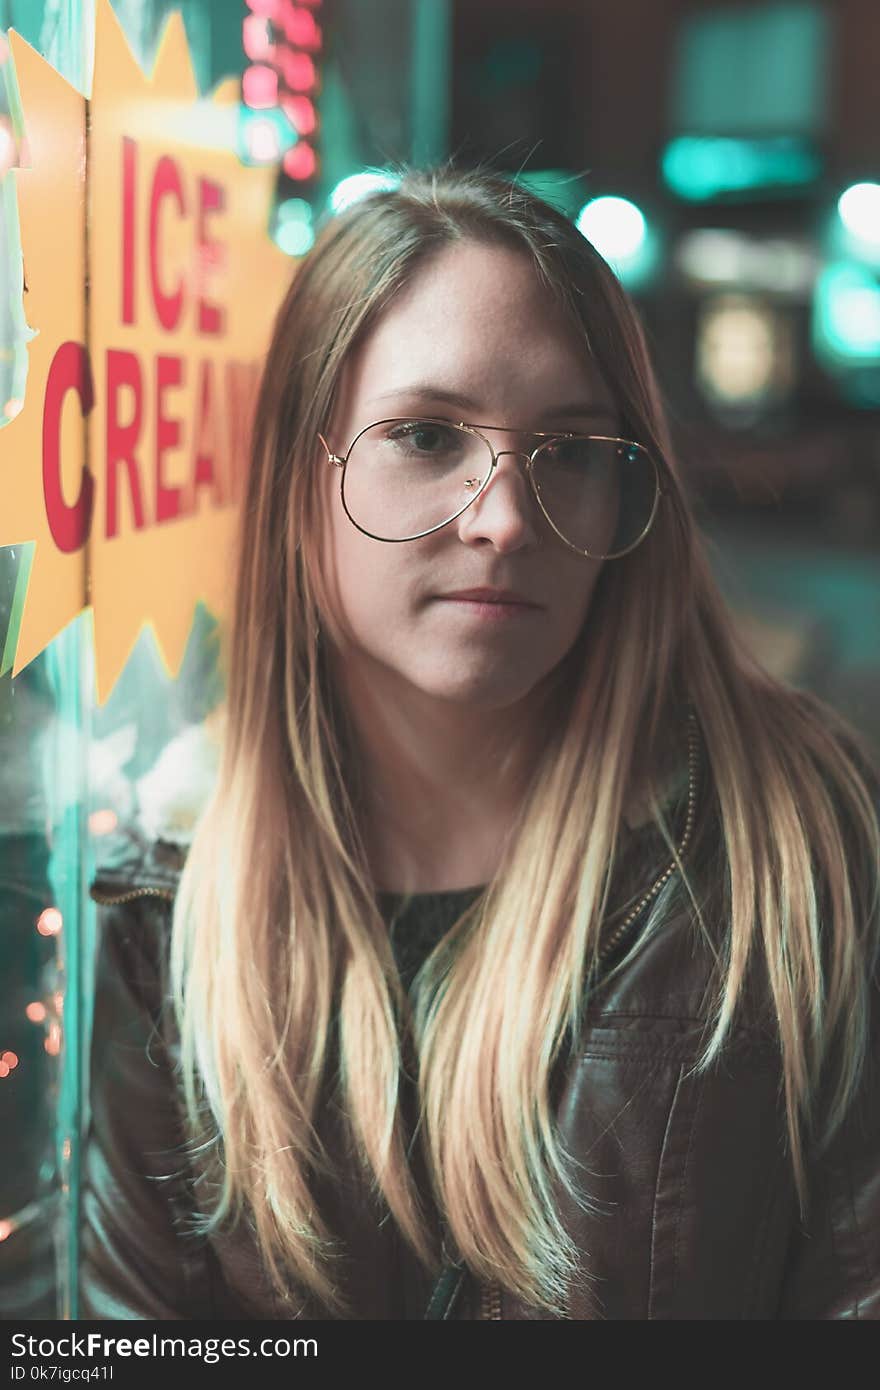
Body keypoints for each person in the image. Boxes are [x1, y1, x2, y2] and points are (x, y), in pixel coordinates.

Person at [82, 163, 880, 1321]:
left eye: (566, 451)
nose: (504, 516)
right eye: (423, 434)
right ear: (299, 476)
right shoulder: (172, 897)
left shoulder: (797, 846)